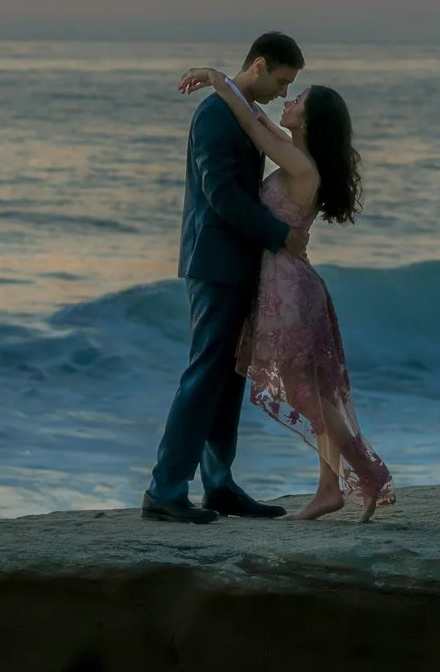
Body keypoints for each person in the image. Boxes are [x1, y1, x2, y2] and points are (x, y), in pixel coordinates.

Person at [176, 64, 394, 522]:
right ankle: (328, 491)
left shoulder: (298, 164)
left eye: (298, 101)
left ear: (310, 121)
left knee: (309, 397)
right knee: (317, 394)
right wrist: (239, 88)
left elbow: (256, 132)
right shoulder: (298, 153)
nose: (288, 101)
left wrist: (220, 82)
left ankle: (369, 474)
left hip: (289, 291)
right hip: (289, 284)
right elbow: (258, 121)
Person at [141, 32, 310, 524]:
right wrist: (281, 234)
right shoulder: (216, 116)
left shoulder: (237, 110)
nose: (283, 94)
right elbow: (221, 196)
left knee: (229, 377)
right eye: (281, 81)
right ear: (258, 65)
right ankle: (165, 488)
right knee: (204, 373)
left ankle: (218, 484)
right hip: (213, 263)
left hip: (238, 262)